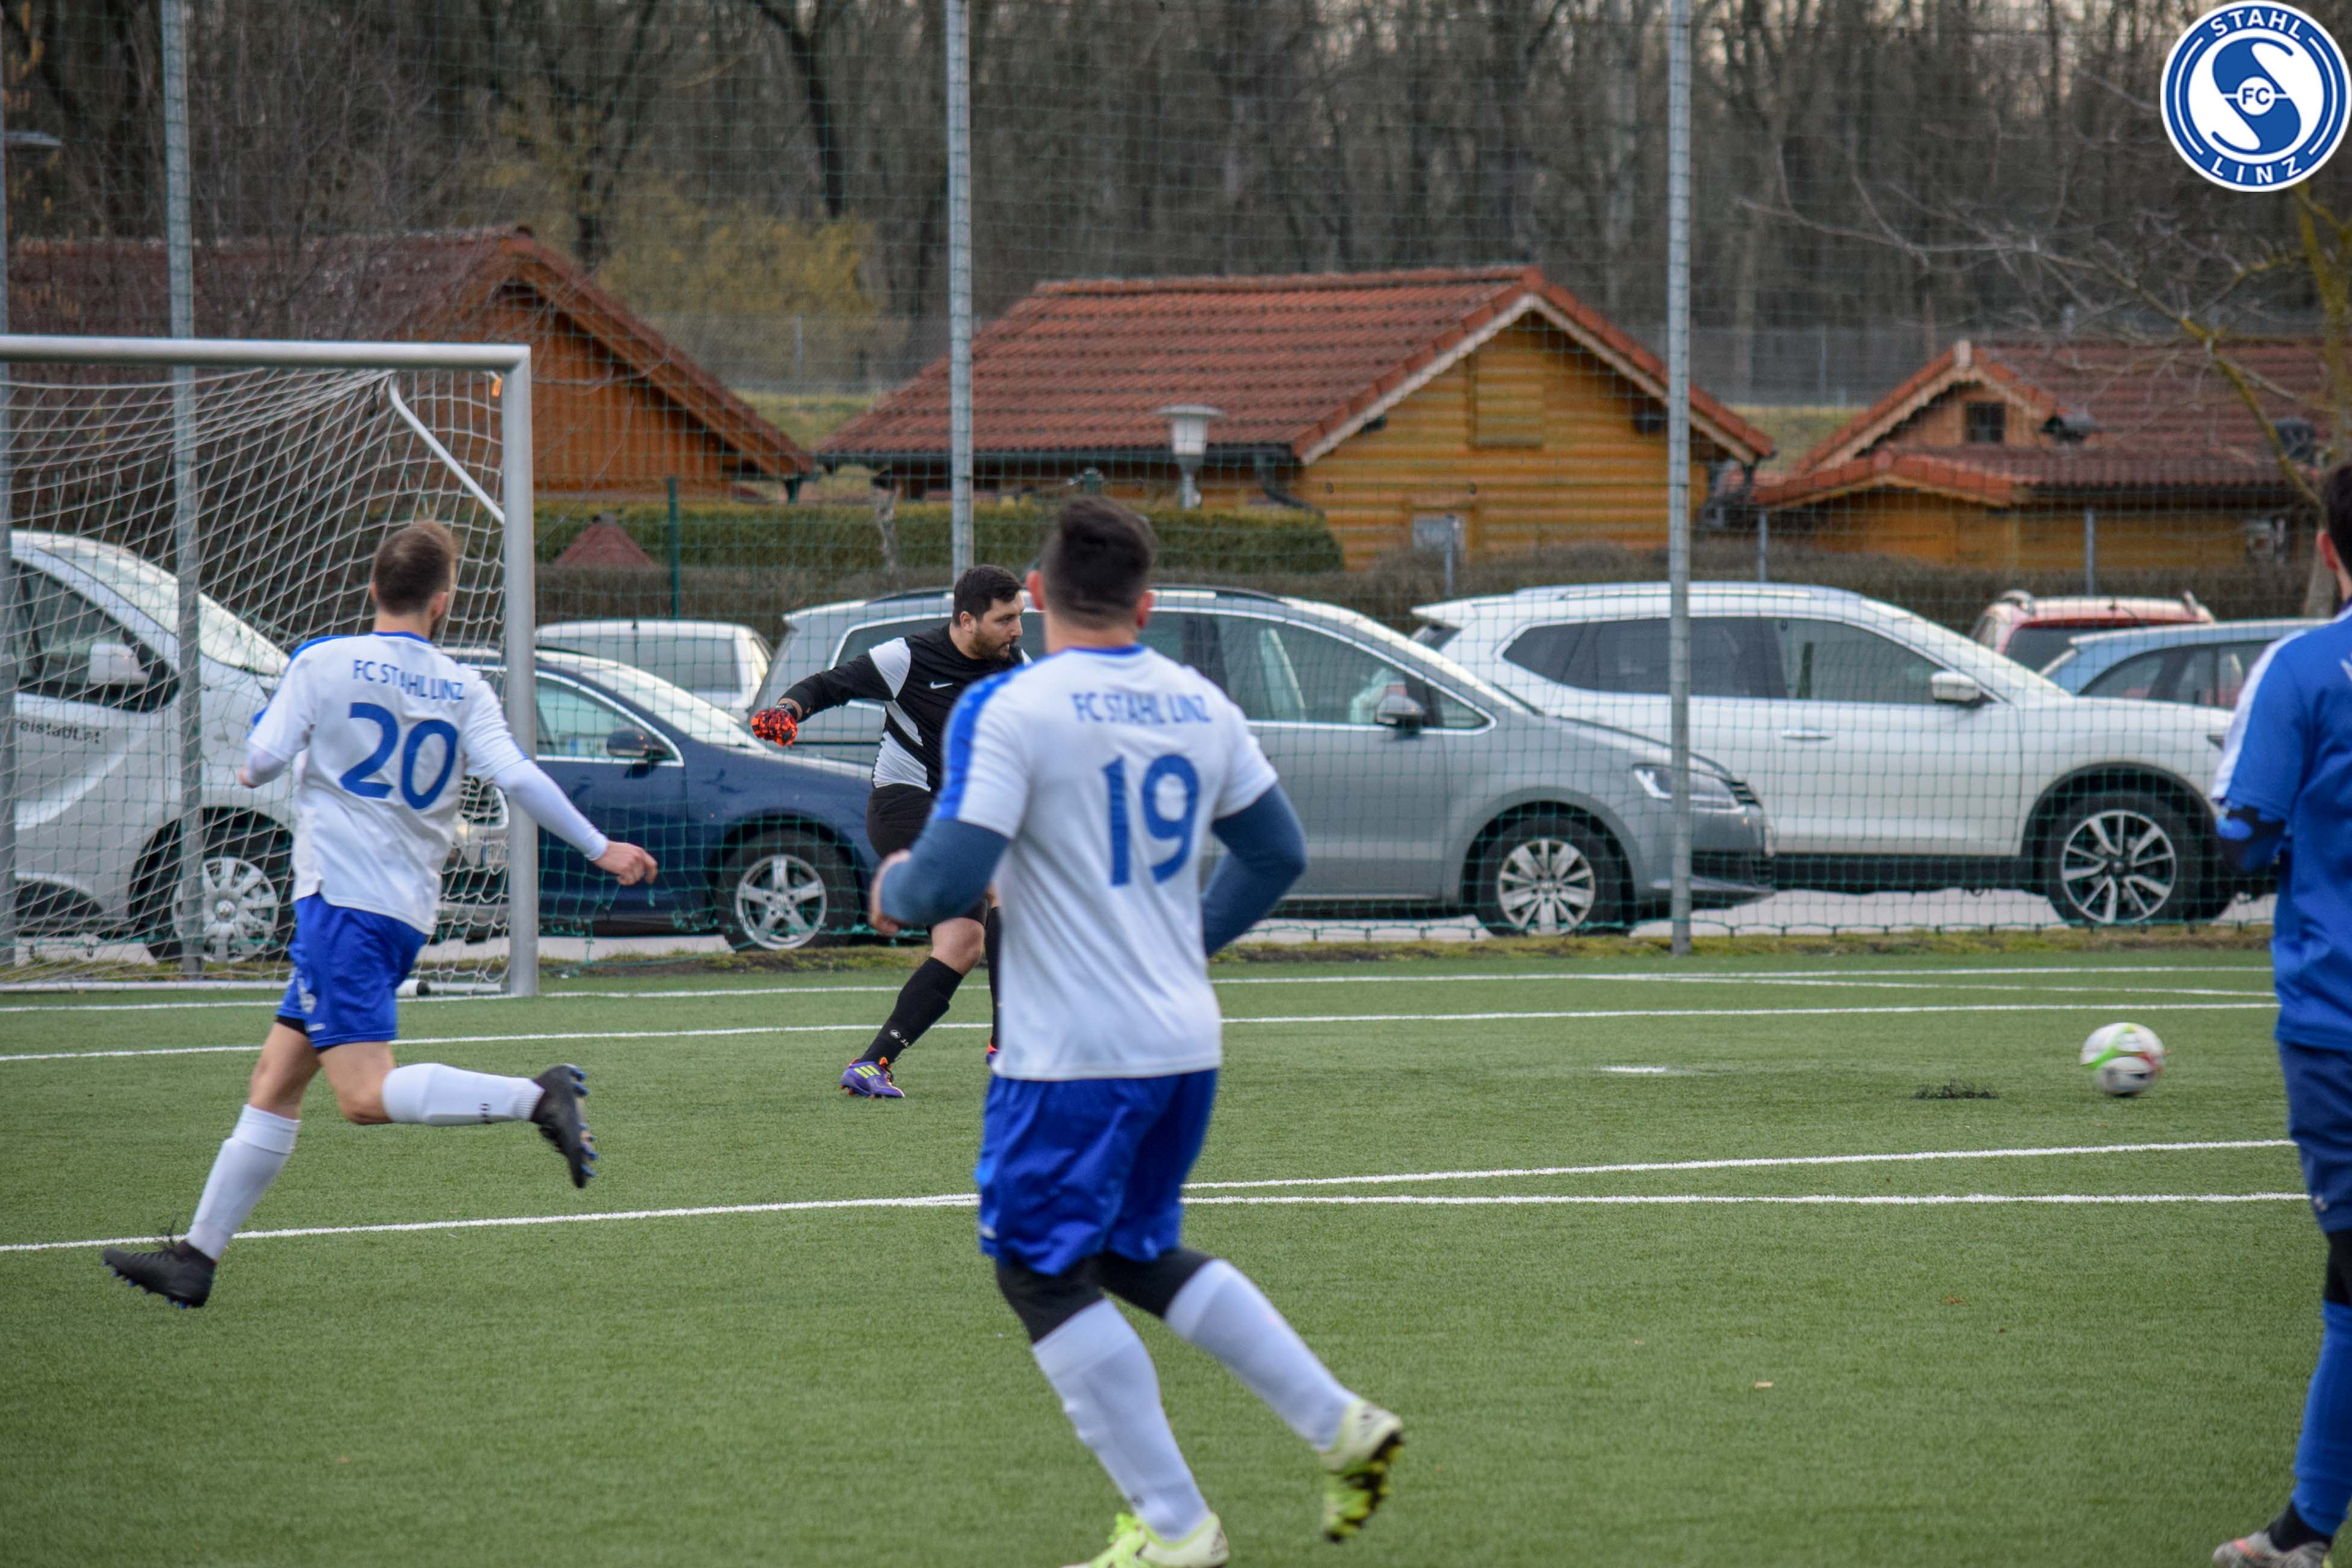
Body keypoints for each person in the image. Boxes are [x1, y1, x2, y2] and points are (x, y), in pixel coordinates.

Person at [868, 499, 1399, 1567]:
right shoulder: (1201, 701)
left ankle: (1175, 1526)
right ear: (1146, 606)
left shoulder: (1011, 704)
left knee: (1037, 1271)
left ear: (1038, 598)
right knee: (1129, 1251)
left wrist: (898, 887)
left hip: (1073, 1052)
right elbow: (1276, 853)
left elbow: (949, 871)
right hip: (1182, 1041)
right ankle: (1339, 1424)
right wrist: (1186, 943)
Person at [100, 522, 659, 1309]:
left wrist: (275, 748)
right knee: (276, 1080)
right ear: (442, 601)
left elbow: (257, 765)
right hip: (401, 914)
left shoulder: (322, 662)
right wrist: (601, 847)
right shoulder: (464, 687)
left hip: (340, 907)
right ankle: (196, 1258)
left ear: (373, 587)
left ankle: (537, 1096)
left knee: (363, 1096)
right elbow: (519, 778)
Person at [2212, 462, 2352, 1567]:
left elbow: (2245, 835)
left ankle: (2305, 1528)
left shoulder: (2303, 668)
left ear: (2326, 549)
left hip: (2338, 1021)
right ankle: (2306, 1526)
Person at [750, 564, 1025, 1098]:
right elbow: (829, 685)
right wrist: (788, 709)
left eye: (1020, 617)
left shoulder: (1014, 667)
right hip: (905, 807)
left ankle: (872, 1064)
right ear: (967, 621)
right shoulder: (908, 657)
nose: (1016, 630)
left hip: (962, 817)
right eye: (1005, 619)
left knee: (963, 943)